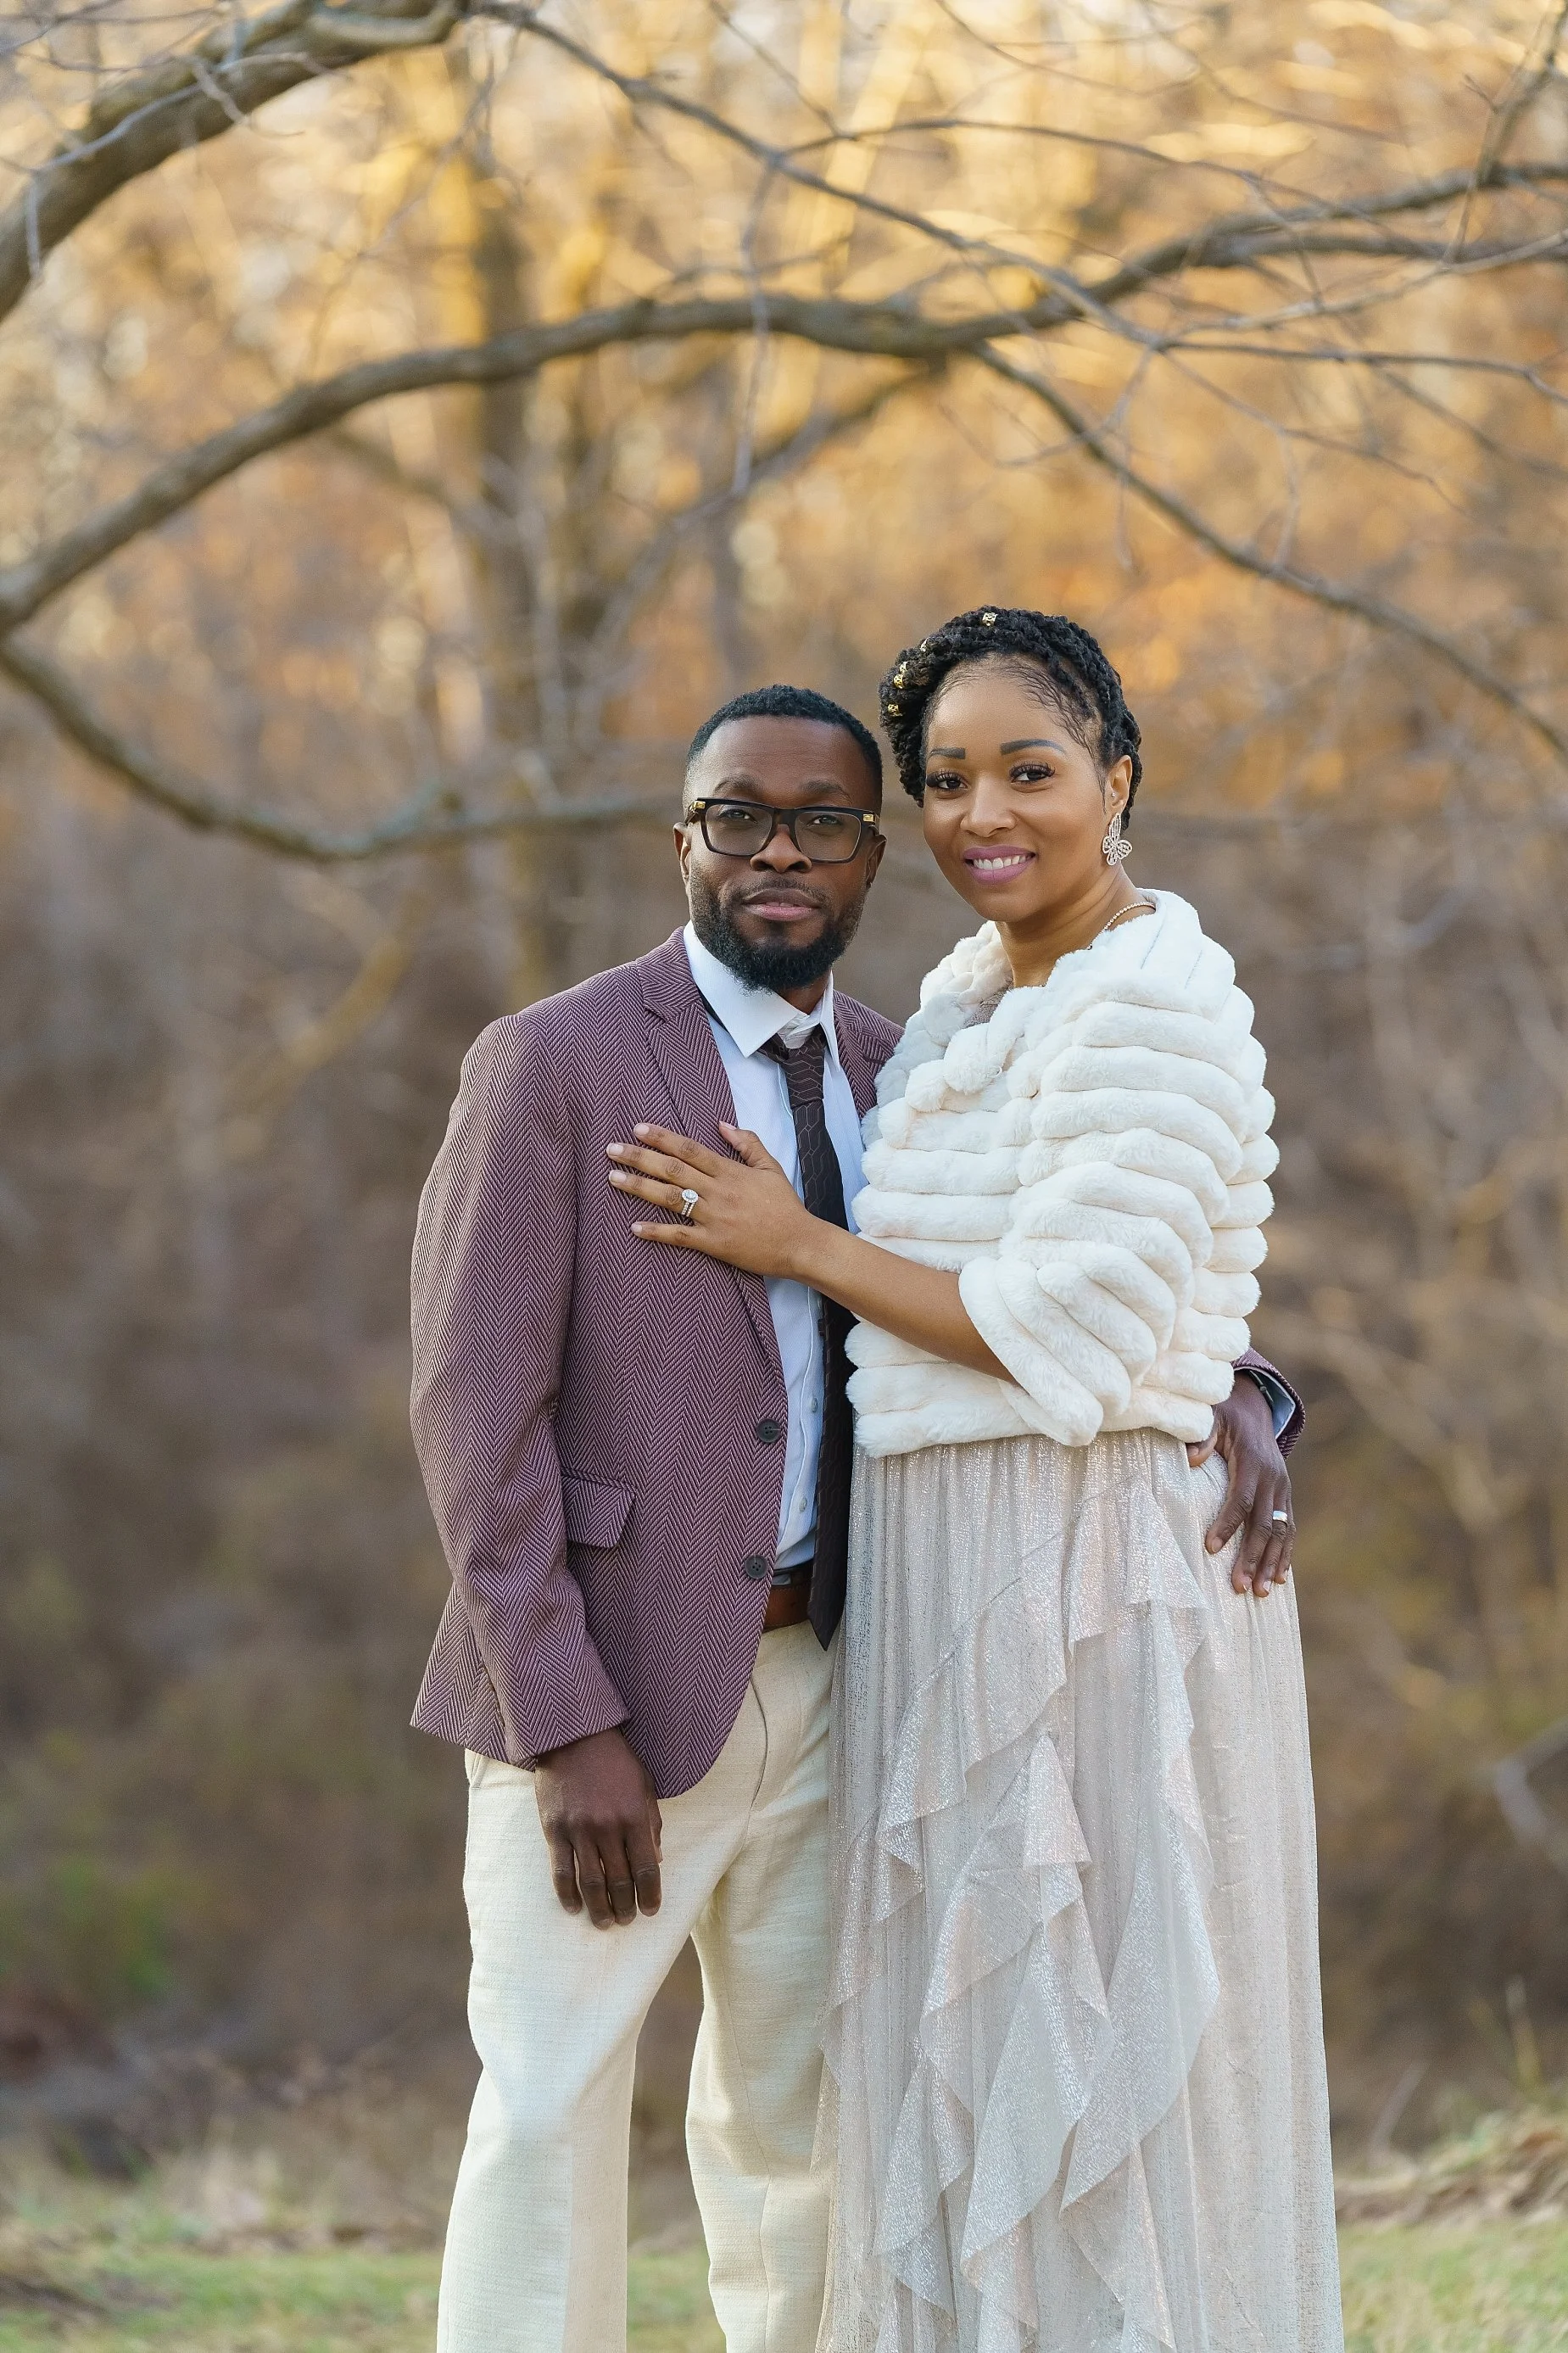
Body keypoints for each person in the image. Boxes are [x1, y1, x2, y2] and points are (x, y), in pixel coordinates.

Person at [410, 680, 1305, 2353]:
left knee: (808, 2132)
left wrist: (1236, 1383)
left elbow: (1041, 1267)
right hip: (602, 1696)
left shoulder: (907, 1067)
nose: (779, 851)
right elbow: (472, 1421)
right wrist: (563, 1719)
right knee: (547, 2105)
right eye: (738, 814)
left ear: (871, 854)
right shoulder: (554, 1061)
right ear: (683, 839)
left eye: (822, 820)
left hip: (850, 1681)